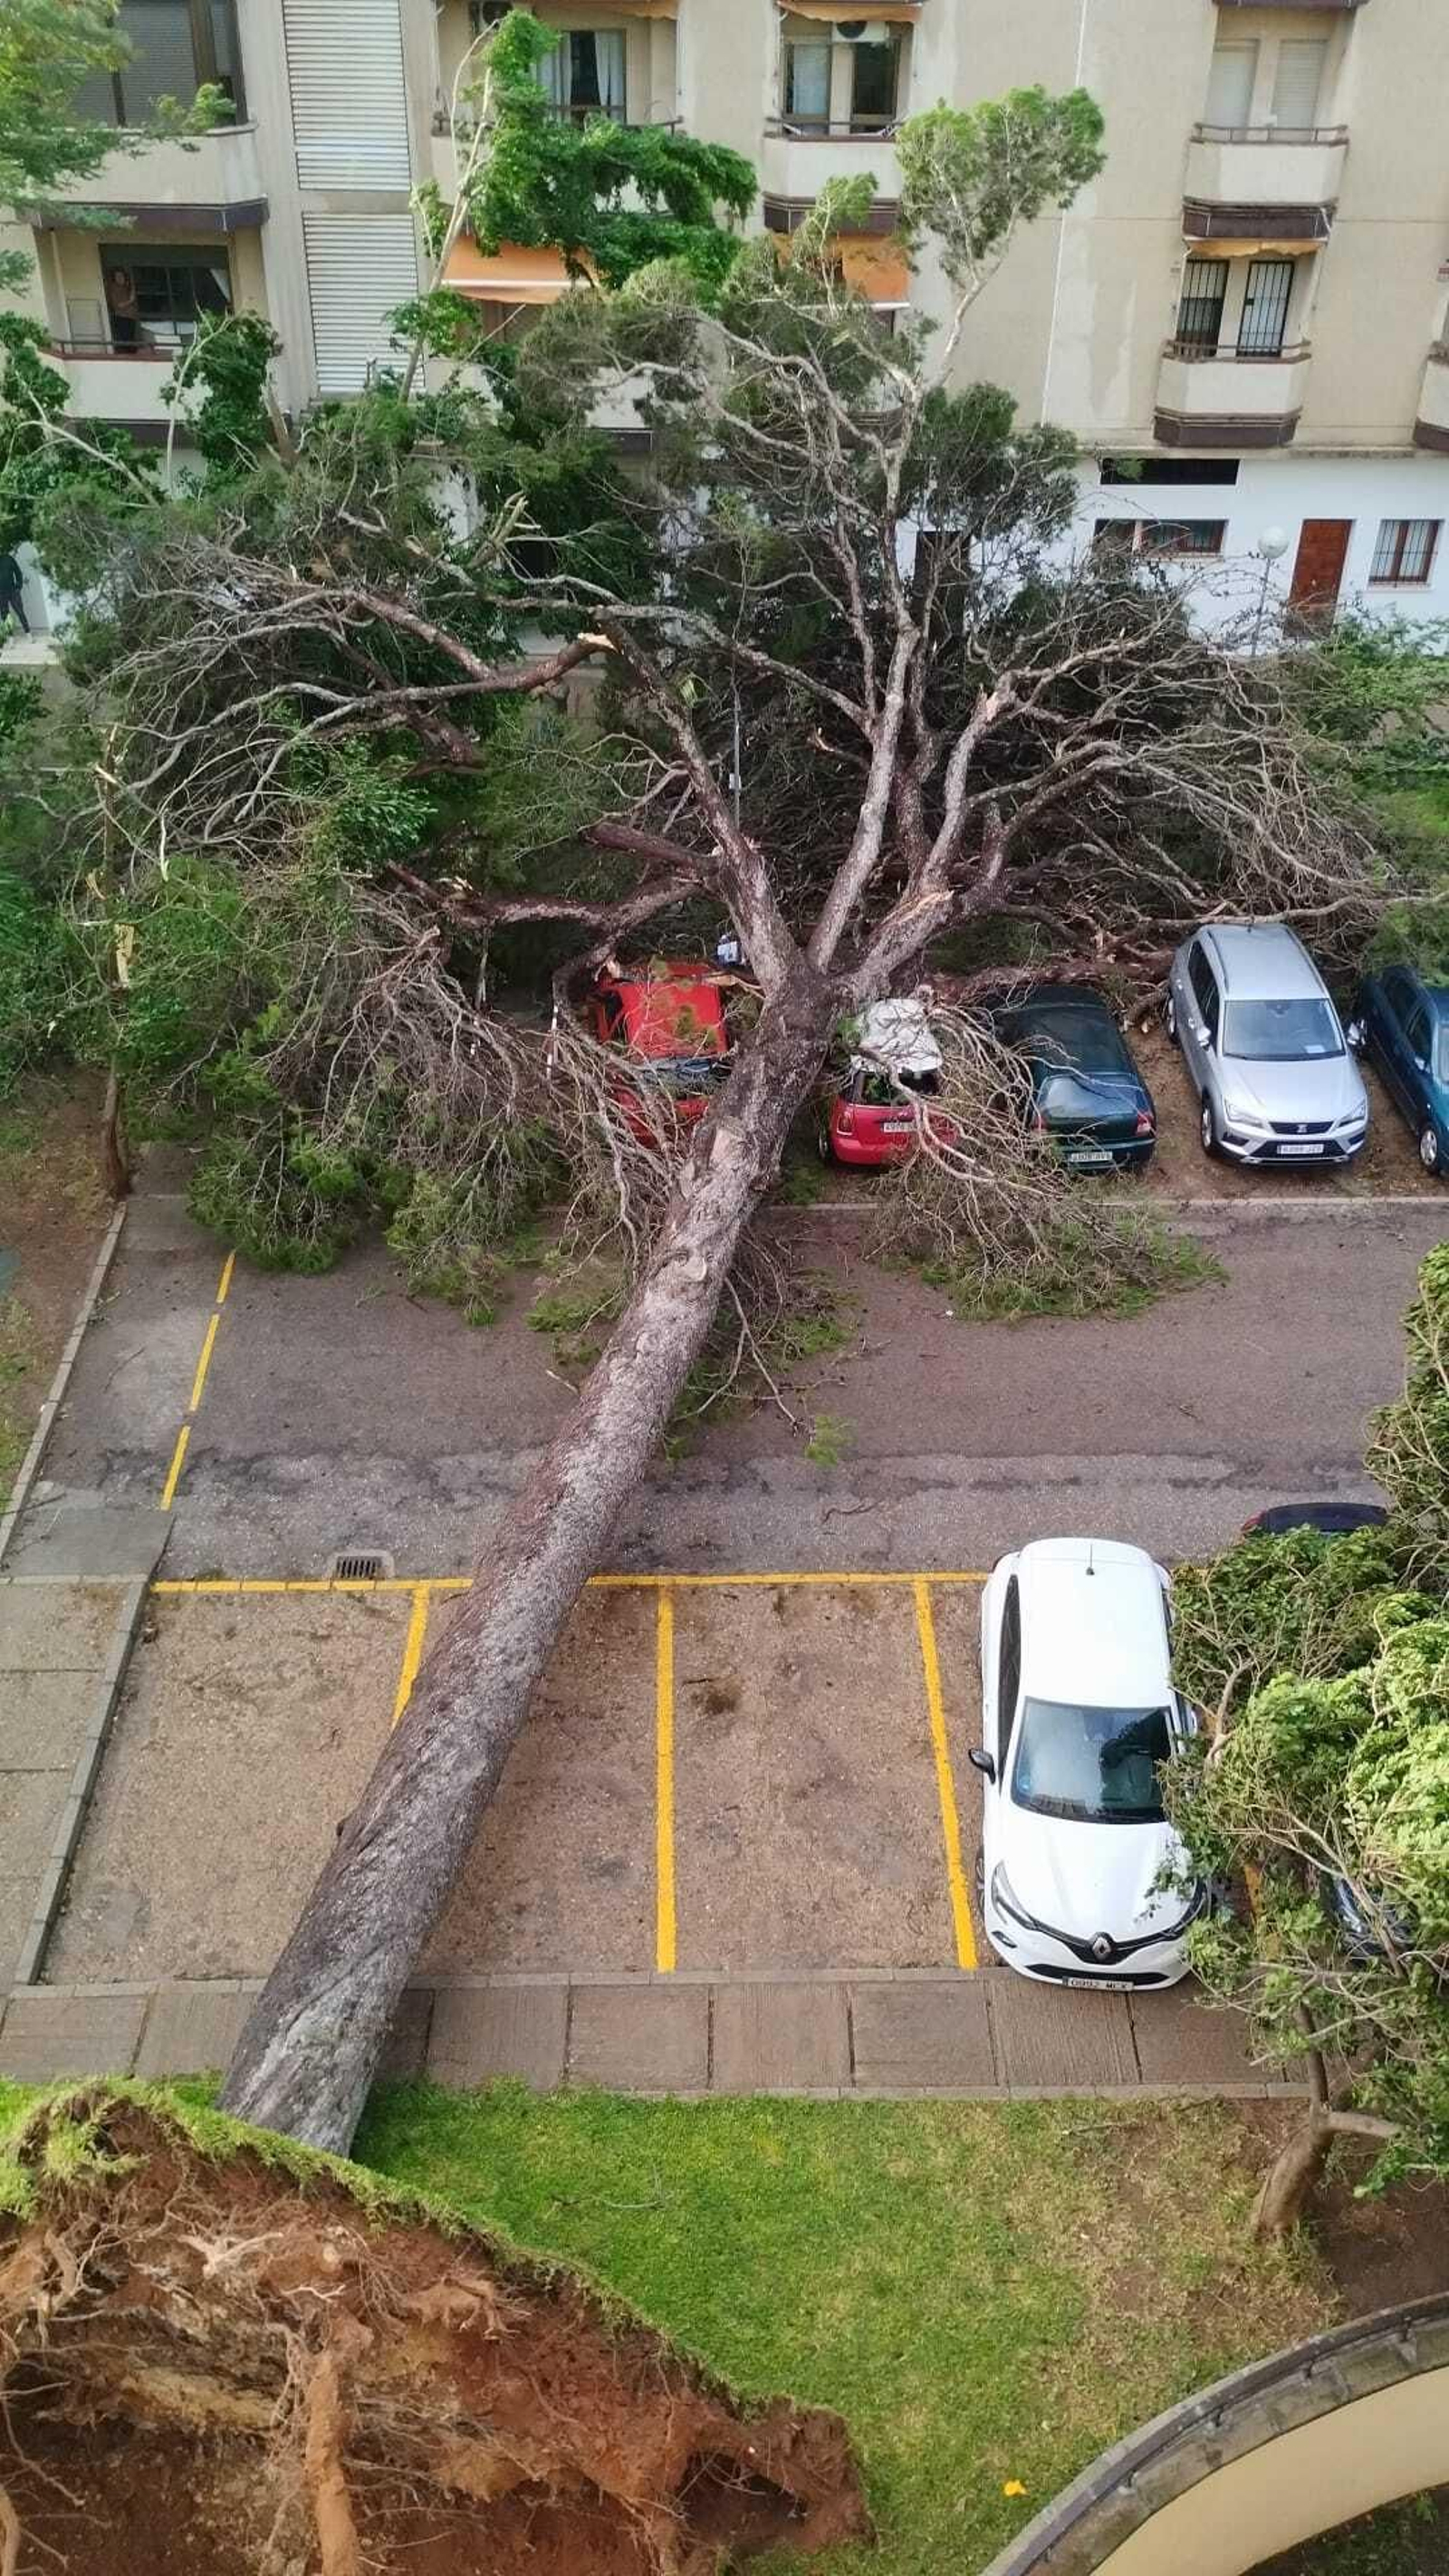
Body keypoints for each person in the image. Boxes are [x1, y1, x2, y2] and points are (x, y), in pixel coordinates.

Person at [0, 553, 29, 634]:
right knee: (4, 615)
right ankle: (10, 637)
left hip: (13, 590)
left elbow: (18, 572)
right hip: (1, 593)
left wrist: (19, 586)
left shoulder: (8, 559)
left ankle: (28, 633)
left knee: (20, 612)